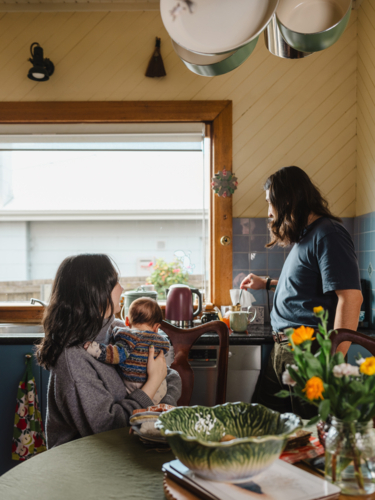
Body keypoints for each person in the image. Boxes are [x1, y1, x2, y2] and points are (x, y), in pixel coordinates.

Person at [240, 166, 362, 418]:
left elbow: (350, 297)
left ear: (286, 200)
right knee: (267, 429)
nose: (269, 212)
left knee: (312, 438)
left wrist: (333, 363)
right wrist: (267, 283)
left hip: (309, 352)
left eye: (270, 203)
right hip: (284, 351)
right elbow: (306, 286)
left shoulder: (329, 233)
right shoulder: (306, 237)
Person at [36, 254, 181, 449]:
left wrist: (160, 410)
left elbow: (167, 374)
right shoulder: (73, 359)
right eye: (115, 283)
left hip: (123, 448)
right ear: (96, 293)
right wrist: (153, 384)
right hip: (83, 462)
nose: (122, 288)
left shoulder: (118, 329)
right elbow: (108, 428)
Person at [84, 297, 170, 405]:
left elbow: (116, 355)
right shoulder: (161, 341)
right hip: (161, 388)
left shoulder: (128, 337)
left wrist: (95, 349)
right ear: (157, 327)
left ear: (127, 321)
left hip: (134, 385)